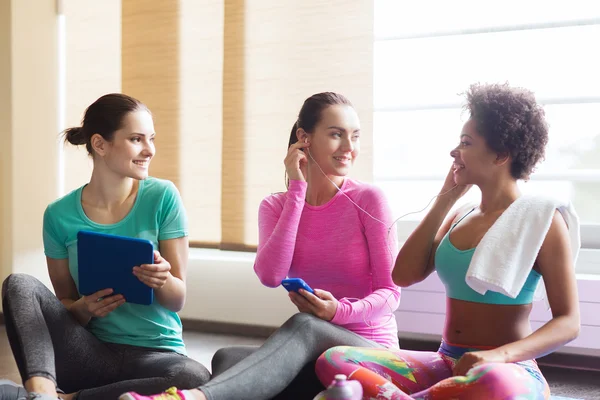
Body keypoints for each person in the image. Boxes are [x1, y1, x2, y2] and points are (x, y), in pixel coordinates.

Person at [120, 92, 401, 400]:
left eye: (355, 136)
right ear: (304, 139)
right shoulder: (275, 206)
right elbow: (270, 275)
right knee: (227, 359)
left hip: (371, 353)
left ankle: (192, 398)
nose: (349, 148)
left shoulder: (369, 200)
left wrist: (337, 311)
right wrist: (297, 190)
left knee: (305, 326)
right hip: (320, 353)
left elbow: (391, 294)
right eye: (336, 134)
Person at [315, 83, 580, 400]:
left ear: (502, 154)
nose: (455, 152)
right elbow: (403, 275)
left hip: (508, 372)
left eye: (466, 143)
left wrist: (498, 356)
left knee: (492, 384)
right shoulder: (460, 214)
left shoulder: (542, 219)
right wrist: (445, 199)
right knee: (335, 360)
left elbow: (569, 322)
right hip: (447, 362)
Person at [1, 94, 210, 400]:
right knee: (19, 284)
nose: (149, 150)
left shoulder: (162, 196)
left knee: (193, 376)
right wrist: (83, 309)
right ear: (100, 145)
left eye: (151, 139)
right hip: (89, 351)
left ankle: (66, 399)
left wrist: (162, 279)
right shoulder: (59, 215)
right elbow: (65, 302)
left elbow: (178, 299)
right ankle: (41, 392)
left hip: (154, 355)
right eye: (136, 139)